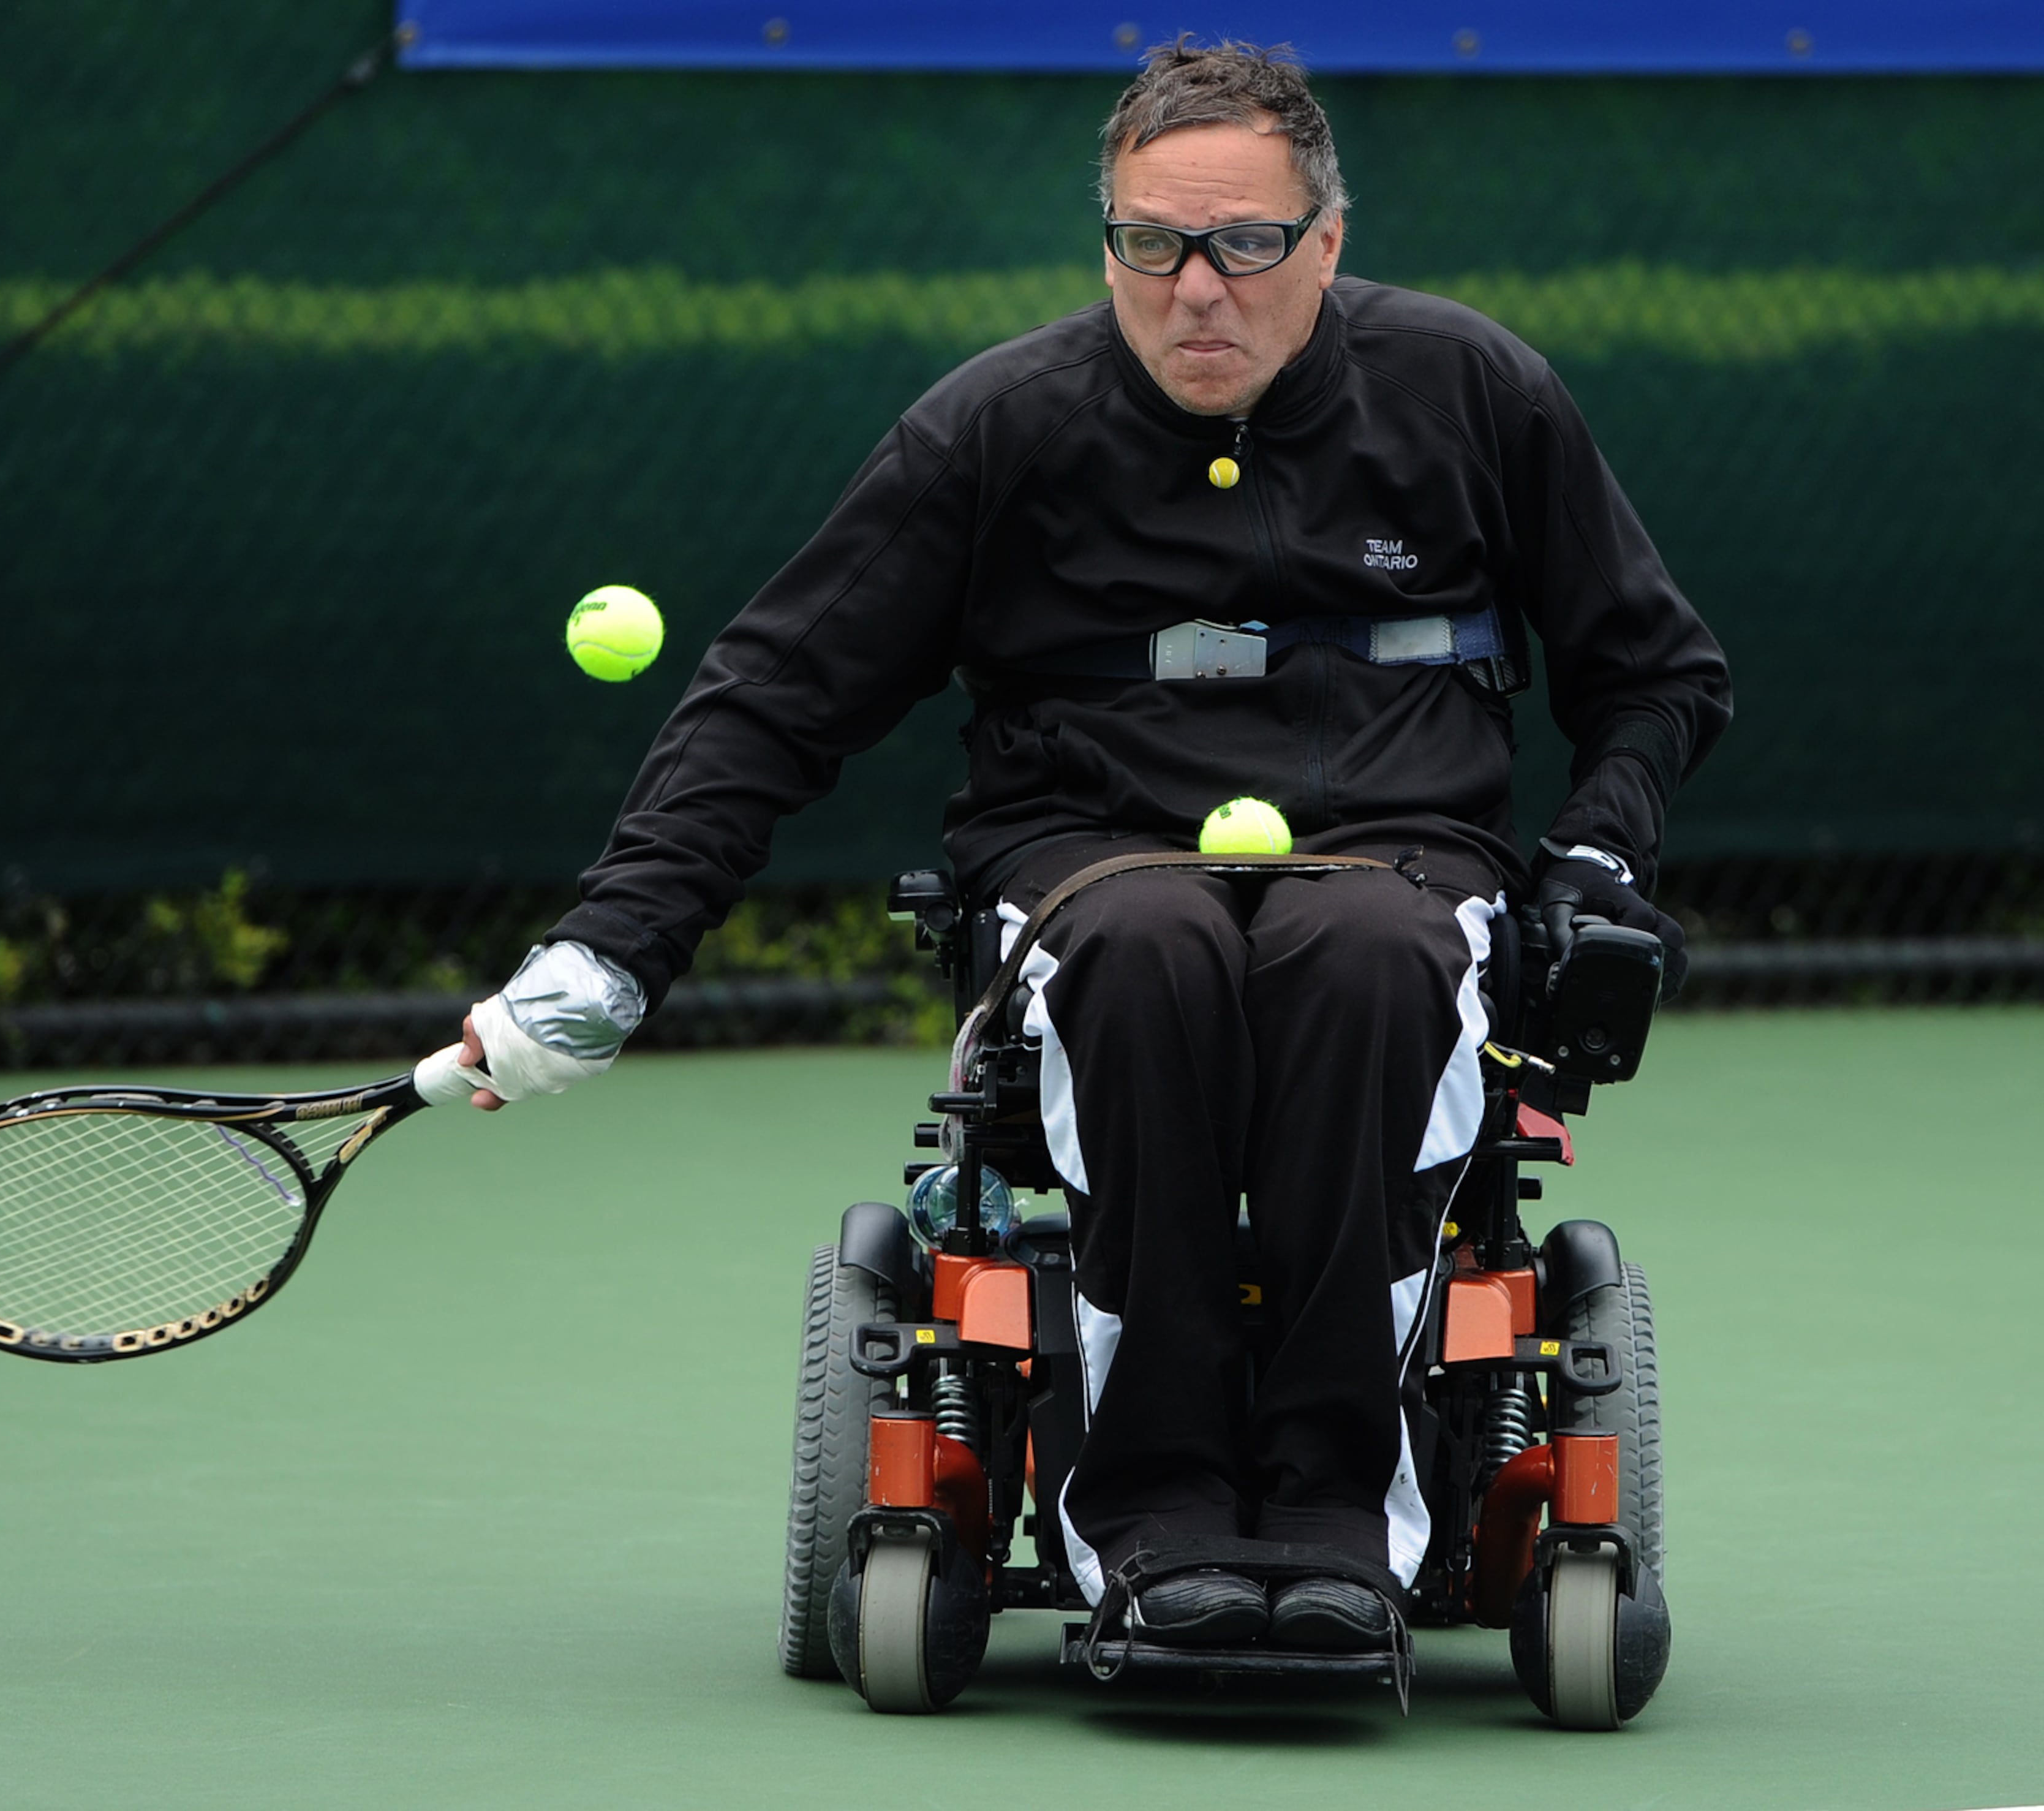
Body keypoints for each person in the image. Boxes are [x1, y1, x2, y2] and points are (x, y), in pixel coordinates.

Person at [451, 41, 1730, 1652]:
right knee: (1151, 947)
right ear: (1109, 242)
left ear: (1326, 241)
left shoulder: (1474, 391)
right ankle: (1155, 1507)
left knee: (1372, 955)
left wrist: (1600, 856)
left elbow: (1658, 670)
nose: (1198, 288)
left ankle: (1346, 1506)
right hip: (1085, 866)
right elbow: (773, 695)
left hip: (1398, 862)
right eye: (1152, 243)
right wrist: (609, 953)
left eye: (1245, 244)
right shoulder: (997, 428)